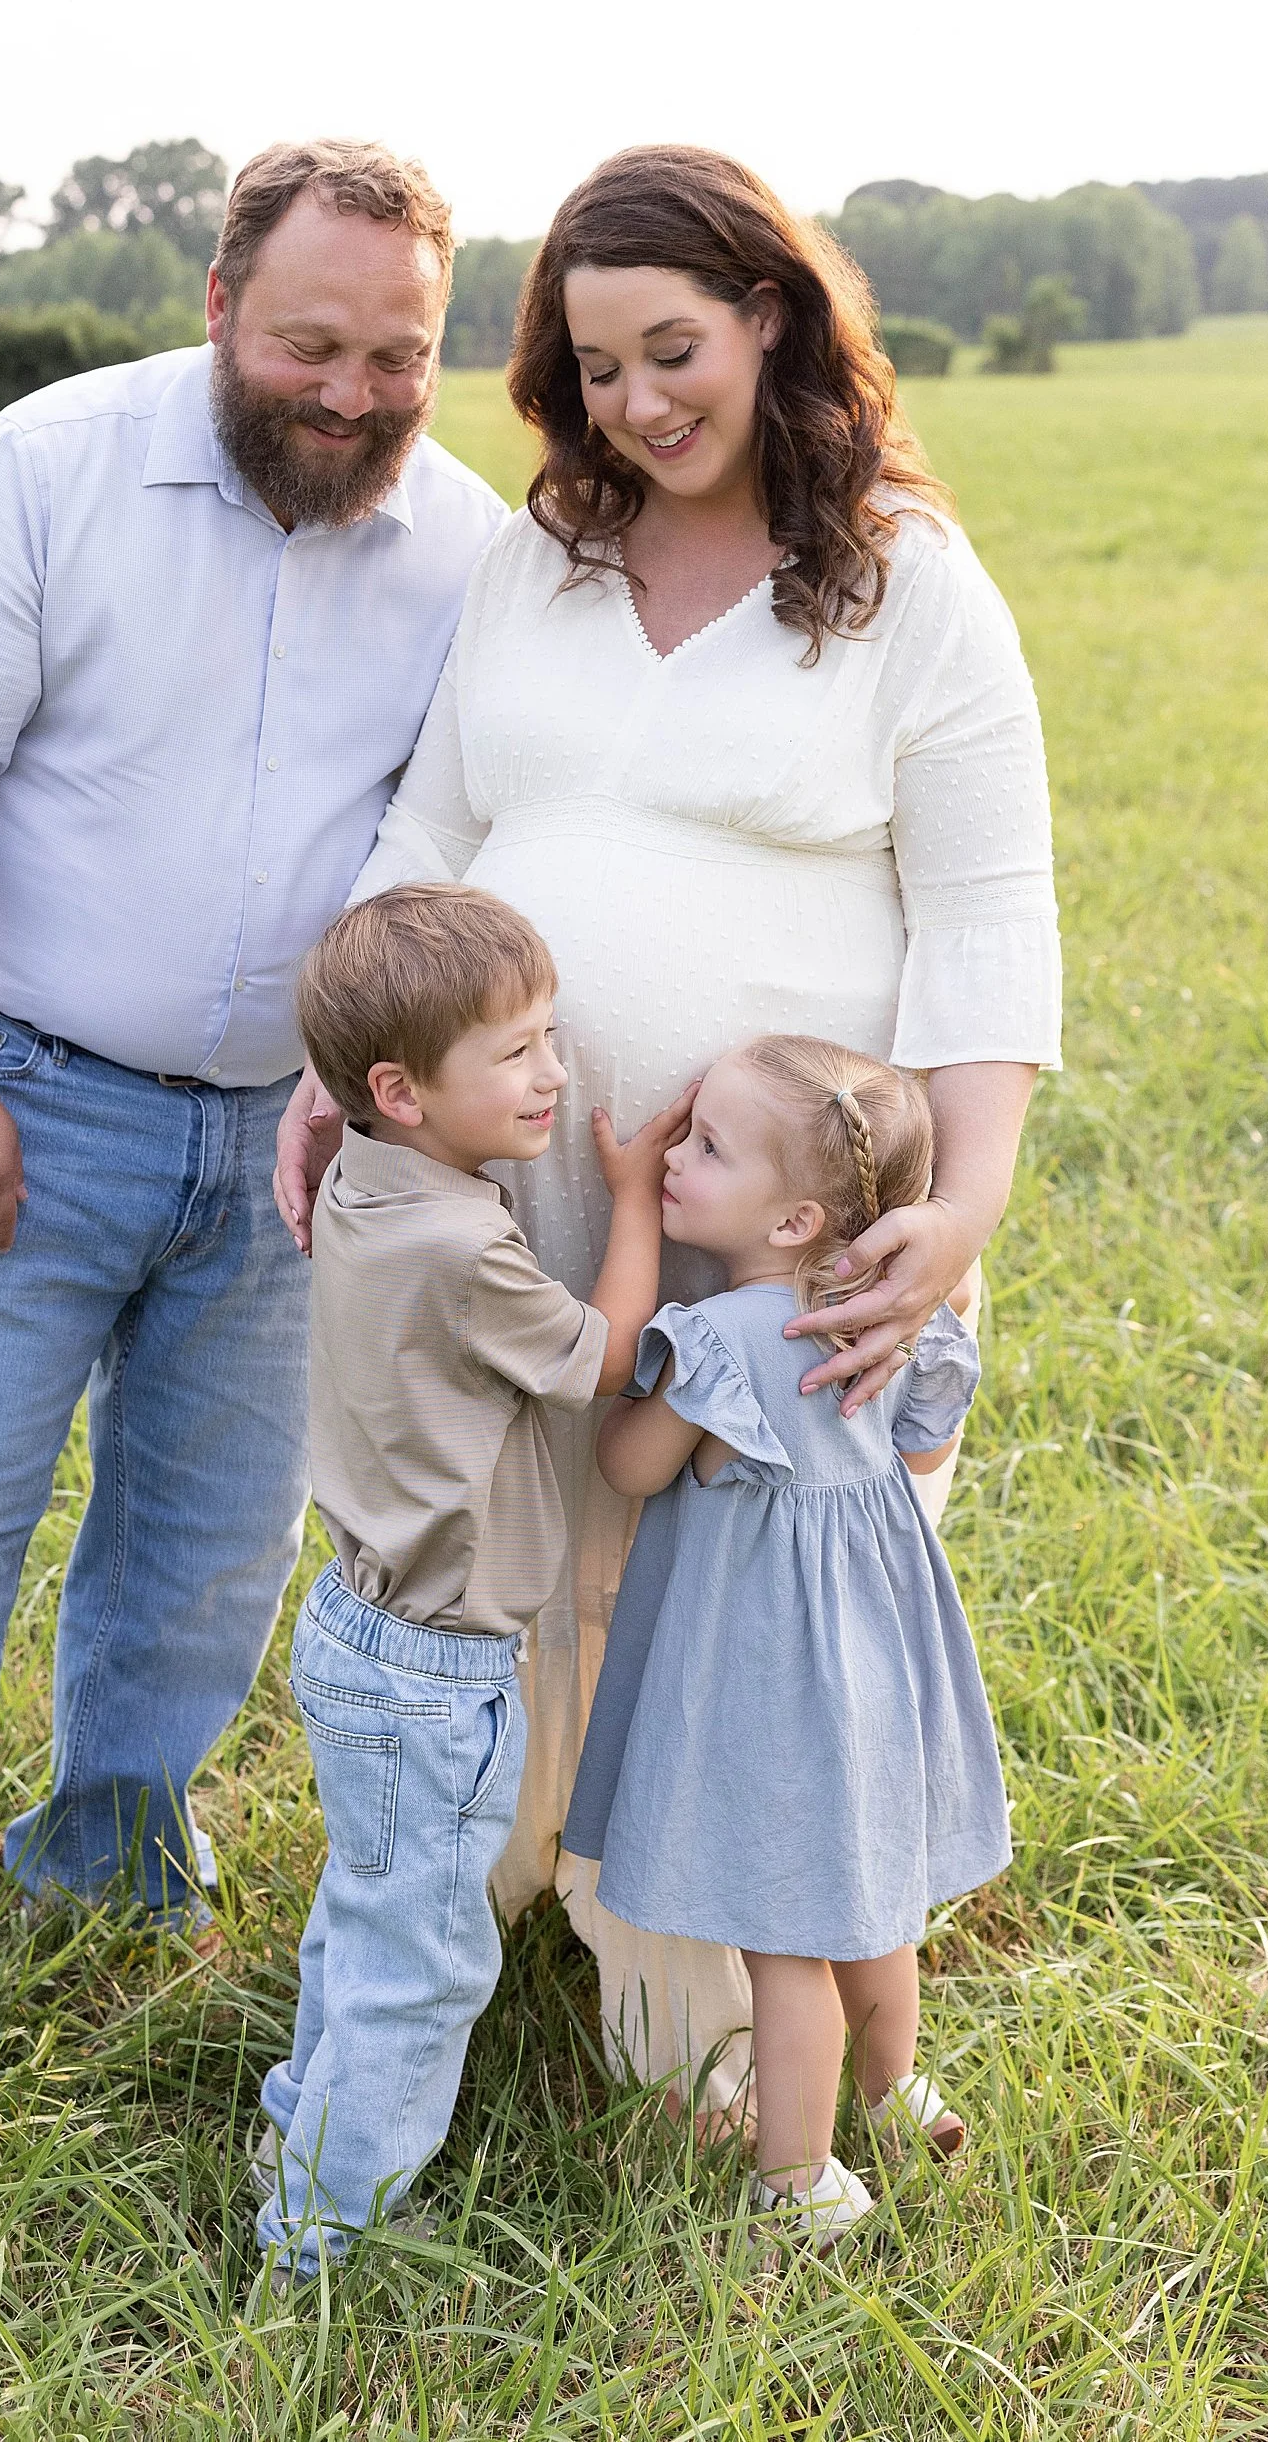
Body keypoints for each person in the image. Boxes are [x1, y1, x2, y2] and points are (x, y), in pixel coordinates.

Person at [276, 144, 1060, 2124]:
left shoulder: (902, 577)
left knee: (721, 1566)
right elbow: (437, 825)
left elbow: (984, 918)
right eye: (592, 364)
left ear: (776, 317)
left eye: (672, 348)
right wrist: (328, 1045)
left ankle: (710, 1970)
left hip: (767, 1206)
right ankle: (507, 1860)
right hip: (521, 1171)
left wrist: (962, 1201)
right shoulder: (538, 553)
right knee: (519, 1507)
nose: (633, 401)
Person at [0, 141, 506, 2102]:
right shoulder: (47, 468)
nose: (348, 388)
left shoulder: (465, 550)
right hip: (24, 1106)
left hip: (284, 1144)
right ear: (224, 299)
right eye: (312, 339)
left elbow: (444, 829)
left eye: (396, 353)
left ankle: (112, 1870)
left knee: (205, 1551)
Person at [253, 885, 691, 2276]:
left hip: (361, 1629)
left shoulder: (374, 1176)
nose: (552, 1073)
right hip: (434, 1669)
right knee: (426, 1963)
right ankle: (322, 2241)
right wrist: (630, 1202)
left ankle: (297, 2139)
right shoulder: (463, 1242)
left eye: (550, 1034)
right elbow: (609, 1353)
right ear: (399, 1086)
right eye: (513, 1052)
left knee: (365, 1911)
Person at [562, 1037, 1009, 2250]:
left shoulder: (725, 1338)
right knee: (866, 1901)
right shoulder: (880, 1319)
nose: (678, 1153)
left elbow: (626, 1464)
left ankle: (798, 2176)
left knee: (782, 1939)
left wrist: (627, 1231)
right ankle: (895, 2088)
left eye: (705, 1144)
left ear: (794, 1213)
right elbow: (919, 1452)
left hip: (762, 1670)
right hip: (876, 1649)